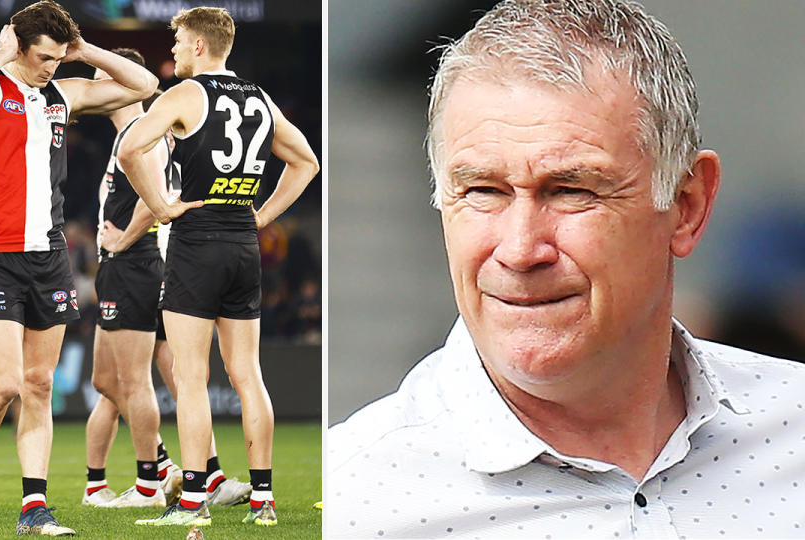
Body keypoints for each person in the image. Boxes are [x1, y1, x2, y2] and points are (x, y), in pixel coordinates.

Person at [327, 0, 805, 538]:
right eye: (482, 191)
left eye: (571, 190)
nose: (520, 249)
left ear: (687, 205)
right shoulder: (348, 503)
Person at [0, 1, 196, 535]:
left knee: (38, 383)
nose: (52, 66)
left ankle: (35, 509)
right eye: (45, 57)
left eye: (59, 57)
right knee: (5, 383)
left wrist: (85, 51)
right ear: (19, 48)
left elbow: (145, 83)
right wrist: (6, 51)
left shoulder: (63, 95)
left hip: (49, 258)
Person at [118, 6, 319, 528]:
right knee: (248, 374)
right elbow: (306, 161)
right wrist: (262, 217)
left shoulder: (185, 95)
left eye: (180, 42)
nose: (175, 51)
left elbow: (129, 148)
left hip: (196, 241)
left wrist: (160, 205)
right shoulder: (259, 98)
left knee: (191, 378)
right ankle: (263, 500)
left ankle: (191, 503)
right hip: (241, 245)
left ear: (201, 47)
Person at [81, 47, 250, 510]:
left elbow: (154, 196)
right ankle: (204, 474)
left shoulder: (141, 134)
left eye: (102, 80)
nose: (95, 91)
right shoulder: (133, 136)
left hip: (136, 265)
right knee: (122, 379)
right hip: (135, 266)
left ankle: (154, 480)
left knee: (139, 381)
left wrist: (122, 241)